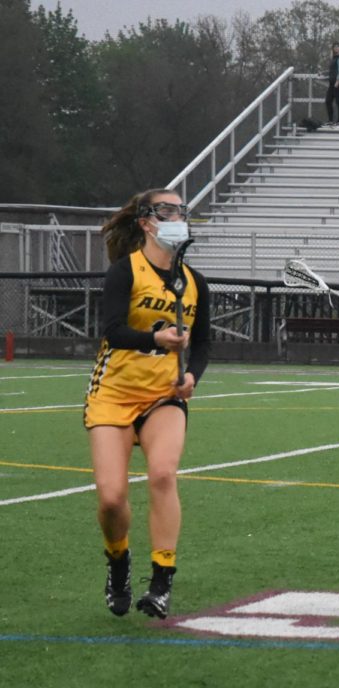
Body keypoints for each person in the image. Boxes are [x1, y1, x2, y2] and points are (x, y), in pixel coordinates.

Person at [84, 188, 210, 619]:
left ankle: (162, 581)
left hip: (163, 397)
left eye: (181, 210)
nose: (176, 216)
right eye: (166, 210)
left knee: (162, 475)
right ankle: (118, 562)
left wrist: (192, 375)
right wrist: (156, 339)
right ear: (145, 222)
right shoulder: (125, 272)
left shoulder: (194, 281)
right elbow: (113, 332)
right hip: (114, 394)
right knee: (112, 500)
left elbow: (205, 342)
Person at [324, 42, 339, 128]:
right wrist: (323, 73)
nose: (336, 48)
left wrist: (337, 81)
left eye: (338, 47)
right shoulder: (334, 58)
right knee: (328, 101)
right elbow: (332, 70)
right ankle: (330, 120)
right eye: (334, 47)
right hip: (332, 82)